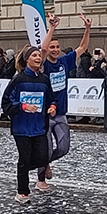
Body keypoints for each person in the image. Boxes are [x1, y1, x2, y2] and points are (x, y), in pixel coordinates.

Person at [37, 19, 91, 183]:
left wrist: (88, 28)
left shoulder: (64, 61)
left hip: (61, 113)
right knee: (46, 149)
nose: (55, 50)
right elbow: (43, 49)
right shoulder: (43, 64)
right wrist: (52, 28)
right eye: (52, 47)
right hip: (45, 114)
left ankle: (45, 163)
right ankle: (41, 179)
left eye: (57, 47)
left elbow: (82, 48)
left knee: (63, 147)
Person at [5, 47, 56, 201]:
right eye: (34, 55)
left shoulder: (44, 79)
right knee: (24, 159)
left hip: (39, 127)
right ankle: (22, 191)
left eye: (39, 55)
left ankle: (27, 169)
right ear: (27, 59)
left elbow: (52, 98)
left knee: (42, 157)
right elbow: (6, 102)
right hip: (21, 127)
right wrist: (23, 106)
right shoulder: (18, 79)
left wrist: (53, 107)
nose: (38, 58)